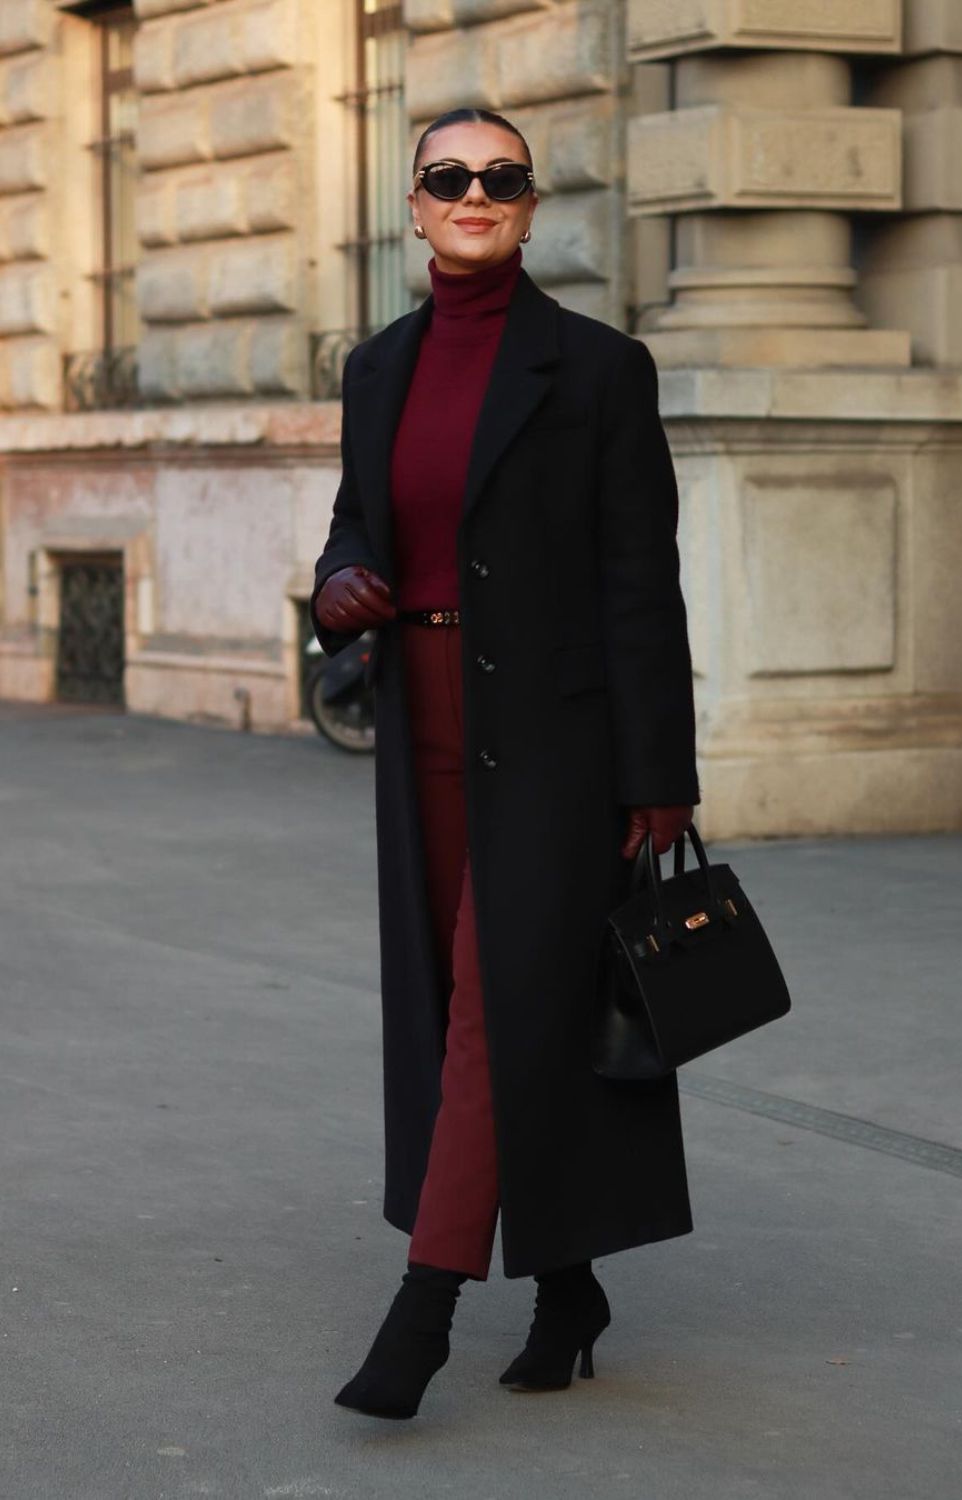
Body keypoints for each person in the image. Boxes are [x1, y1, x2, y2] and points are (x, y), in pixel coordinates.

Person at [311, 106, 699, 1421]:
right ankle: (571, 1281)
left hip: (557, 737)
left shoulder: (596, 369)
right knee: (476, 1008)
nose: (474, 193)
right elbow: (355, 525)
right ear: (413, 207)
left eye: (501, 177)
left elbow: (643, 582)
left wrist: (661, 775)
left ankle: (421, 1314)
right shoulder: (376, 370)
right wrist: (340, 584)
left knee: (492, 1004)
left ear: (529, 206)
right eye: (447, 177)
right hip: (415, 731)